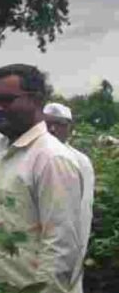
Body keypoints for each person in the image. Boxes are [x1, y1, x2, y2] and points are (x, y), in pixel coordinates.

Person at [0, 64, 87, 293]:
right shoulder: (3, 151)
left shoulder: (51, 158)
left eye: (6, 100)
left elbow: (61, 243)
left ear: (36, 101)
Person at [44, 101, 95, 275]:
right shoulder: (33, 155)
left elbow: (83, 211)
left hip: (63, 247)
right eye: (47, 123)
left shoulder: (79, 161)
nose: (51, 129)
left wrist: (77, 253)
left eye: (59, 124)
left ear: (70, 128)